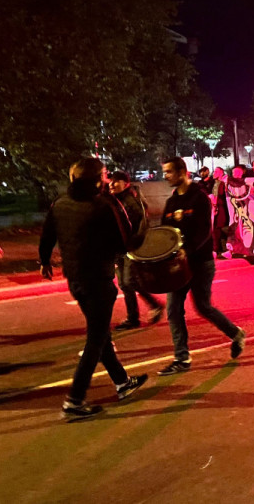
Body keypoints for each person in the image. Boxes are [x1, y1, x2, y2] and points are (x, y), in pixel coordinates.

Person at [39, 158, 148, 419]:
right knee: (96, 340)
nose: (107, 179)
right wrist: (142, 233)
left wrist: (44, 262)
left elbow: (47, 237)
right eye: (104, 174)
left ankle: (122, 382)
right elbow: (124, 243)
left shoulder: (59, 203)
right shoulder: (104, 206)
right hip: (99, 280)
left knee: (100, 334)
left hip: (75, 279)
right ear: (97, 179)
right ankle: (75, 399)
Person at [157, 157, 245, 376]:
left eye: (169, 172)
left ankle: (235, 333)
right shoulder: (171, 202)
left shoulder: (200, 198)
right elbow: (165, 231)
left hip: (200, 263)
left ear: (182, 172)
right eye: (165, 172)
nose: (165, 176)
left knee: (203, 306)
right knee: (173, 309)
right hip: (177, 266)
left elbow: (205, 230)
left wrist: (189, 249)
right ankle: (181, 358)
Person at [108, 171, 164, 330]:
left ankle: (135, 316)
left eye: (116, 181)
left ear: (125, 183)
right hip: (119, 248)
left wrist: (134, 245)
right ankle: (149, 308)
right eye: (110, 181)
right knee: (126, 284)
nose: (112, 184)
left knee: (128, 282)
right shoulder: (115, 200)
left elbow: (140, 225)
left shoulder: (131, 200)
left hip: (130, 248)